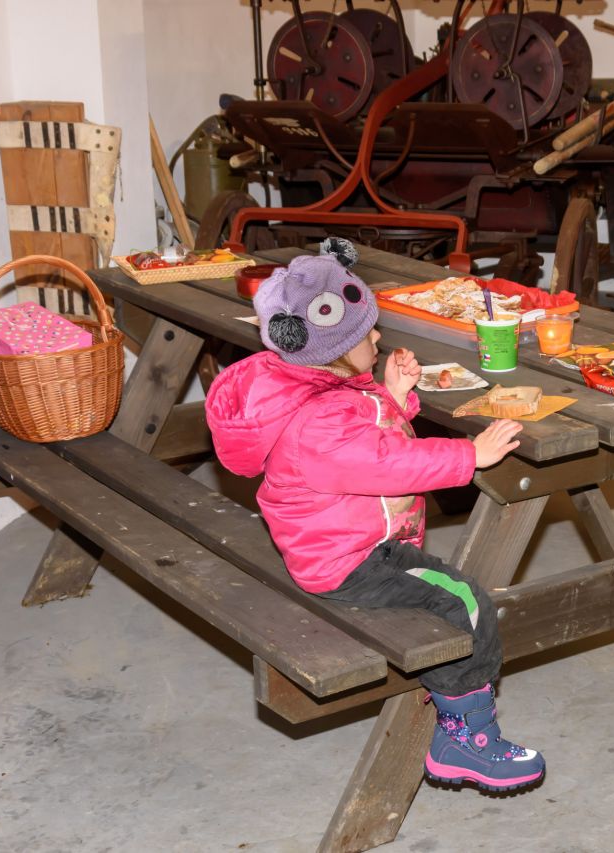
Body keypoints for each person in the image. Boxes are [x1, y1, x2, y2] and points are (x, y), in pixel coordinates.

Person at [204, 240, 544, 790]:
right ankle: (465, 740)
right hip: (349, 562)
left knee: (446, 593)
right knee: (465, 601)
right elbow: (387, 463)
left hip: (334, 545)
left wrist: (393, 394)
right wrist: (470, 455)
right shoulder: (320, 420)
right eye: (367, 334)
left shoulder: (315, 388)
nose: (378, 338)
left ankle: (461, 726)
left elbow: (365, 437)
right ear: (335, 348)